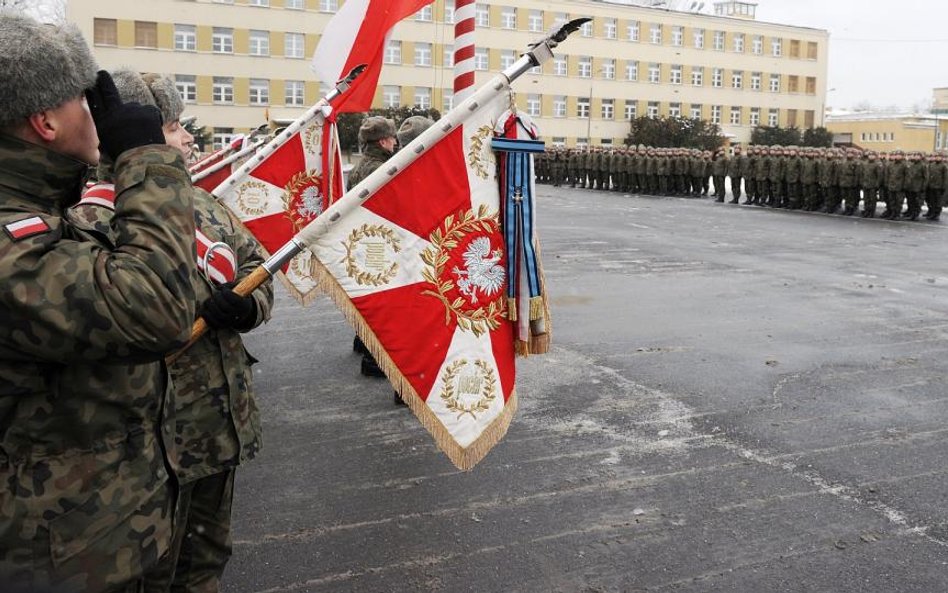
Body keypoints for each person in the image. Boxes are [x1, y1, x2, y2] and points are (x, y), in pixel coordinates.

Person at [0, 13, 200, 593]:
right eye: (84, 100)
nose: (101, 114)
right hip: (52, 559)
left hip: (90, 539)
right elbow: (157, 309)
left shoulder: (43, 211)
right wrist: (144, 156)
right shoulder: (11, 241)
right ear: (44, 121)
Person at [68, 68, 274, 593]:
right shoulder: (90, 218)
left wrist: (245, 308)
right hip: (151, 442)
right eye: (174, 125)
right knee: (151, 573)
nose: (187, 138)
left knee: (206, 560)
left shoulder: (202, 203)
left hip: (217, 425)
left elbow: (257, 266)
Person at [348, 116, 397, 378]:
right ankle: (373, 359)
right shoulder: (381, 168)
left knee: (368, 297)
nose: (395, 142)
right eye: (392, 138)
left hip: (363, 241)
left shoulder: (361, 166)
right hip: (379, 244)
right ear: (382, 140)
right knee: (382, 303)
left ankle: (362, 341)